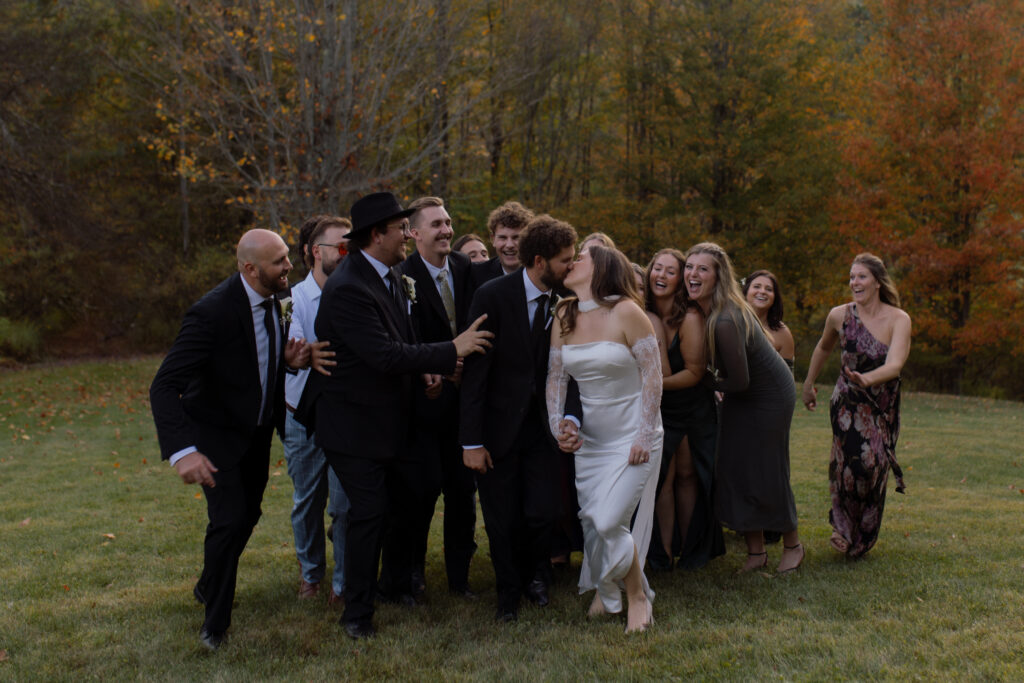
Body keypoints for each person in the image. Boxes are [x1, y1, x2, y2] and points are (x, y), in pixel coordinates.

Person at [298, 192, 493, 640]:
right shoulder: (349, 288)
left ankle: (392, 584)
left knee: (411, 494)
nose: (407, 235)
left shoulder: (386, 277)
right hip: (351, 426)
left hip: (389, 419)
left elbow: (400, 341)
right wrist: (451, 350)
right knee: (369, 512)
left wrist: (425, 370)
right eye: (400, 229)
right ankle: (357, 616)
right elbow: (383, 354)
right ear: (376, 236)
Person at [150, 229, 309, 651]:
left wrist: (287, 363)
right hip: (214, 436)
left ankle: (207, 583)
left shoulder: (279, 300)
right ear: (249, 268)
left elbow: (255, 363)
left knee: (249, 514)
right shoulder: (212, 312)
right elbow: (164, 386)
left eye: (288, 257)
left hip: (254, 434)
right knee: (228, 520)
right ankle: (214, 627)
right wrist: (183, 452)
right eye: (279, 261)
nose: (289, 266)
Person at [460, 214, 577, 623]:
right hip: (497, 432)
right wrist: (471, 441)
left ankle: (537, 577)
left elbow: (573, 371)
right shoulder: (492, 296)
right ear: (541, 261)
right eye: (566, 260)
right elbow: (475, 374)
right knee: (501, 518)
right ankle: (507, 592)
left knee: (543, 512)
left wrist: (571, 419)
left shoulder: (567, 303)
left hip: (544, 430)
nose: (572, 266)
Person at [546, 244, 663, 633]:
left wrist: (644, 434)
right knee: (595, 524)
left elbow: (653, 376)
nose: (572, 260)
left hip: (634, 433)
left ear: (601, 268)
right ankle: (606, 590)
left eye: (580, 256)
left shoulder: (627, 311)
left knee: (611, 519)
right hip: (591, 440)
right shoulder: (564, 312)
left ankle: (636, 597)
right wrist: (558, 426)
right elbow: (557, 377)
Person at [684, 242, 803, 574]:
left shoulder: (725, 318)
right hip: (744, 393)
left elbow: (739, 381)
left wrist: (704, 381)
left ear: (718, 276)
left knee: (766, 468)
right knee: (736, 467)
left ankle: (793, 545)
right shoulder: (704, 311)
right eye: (689, 266)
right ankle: (756, 553)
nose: (693, 274)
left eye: (702, 268)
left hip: (768, 397)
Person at [802, 253, 911, 559]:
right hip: (847, 402)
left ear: (877, 281)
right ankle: (843, 529)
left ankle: (863, 534)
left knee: (875, 468)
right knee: (852, 466)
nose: (854, 282)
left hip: (881, 404)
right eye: (851, 277)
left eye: (861, 276)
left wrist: (868, 379)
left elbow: (896, 365)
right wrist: (808, 384)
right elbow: (823, 347)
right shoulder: (839, 315)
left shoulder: (899, 319)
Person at [396, 196, 479, 599]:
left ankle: (460, 577)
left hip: (465, 404)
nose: (447, 230)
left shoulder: (468, 269)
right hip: (423, 404)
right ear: (414, 234)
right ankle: (413, 572)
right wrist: (439, 365)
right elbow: (398, 340)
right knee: (422, 492)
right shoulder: (400, 277)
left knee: (463, 494)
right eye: (436, 225)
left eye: (448, 222)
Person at [281, 215, 351, 605]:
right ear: (314, 252)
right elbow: (294, 352)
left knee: (344, 504)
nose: (346, 254)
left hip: (345, 416)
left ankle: (342, 584)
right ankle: (311, 573)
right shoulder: (292, 301)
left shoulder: (357, 294)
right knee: (308, 500)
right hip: (301, 416)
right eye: (339, 247)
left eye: (350, 248)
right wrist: (299, 359)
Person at [645, 248, 724, 571]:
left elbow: (694, 372)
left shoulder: (690, 317)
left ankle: (691, 549)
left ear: (679, 282)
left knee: (689, 475)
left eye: (670, 271)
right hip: (658, 408)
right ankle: (662, 551)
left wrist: (653, 388)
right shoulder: (641, 313)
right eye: (657, 269)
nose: (661, 276)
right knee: (662, 478)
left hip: (692, 406)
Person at [743, 270, 796, 371]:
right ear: (746, 292)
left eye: (769, 289)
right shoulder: (730, 322)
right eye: (757, 286)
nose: (762, 291)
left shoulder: (783, 334)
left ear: (774, 298)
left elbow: (786, 380)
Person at [473, 200, 533, 283]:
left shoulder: (543, 274)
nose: (509, 245)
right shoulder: (477, 276)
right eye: (503, 238)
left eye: (516, 237)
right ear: (493, 239)